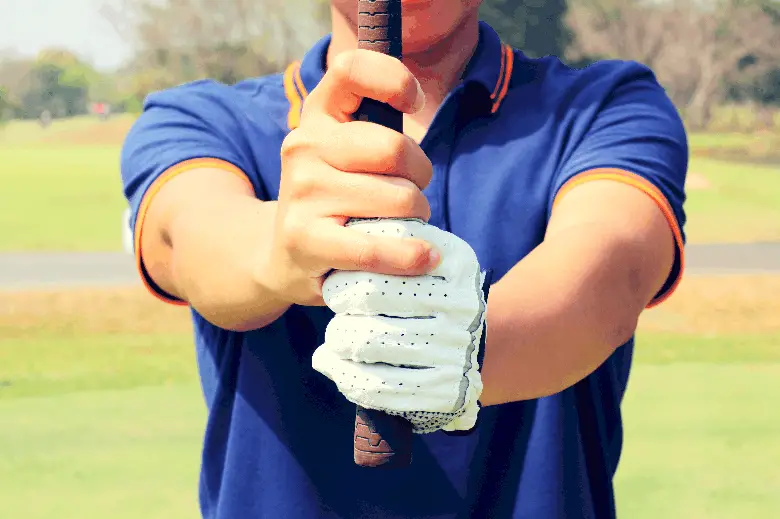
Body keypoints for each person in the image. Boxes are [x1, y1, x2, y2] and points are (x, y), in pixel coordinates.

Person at [120, 1, 687, 518]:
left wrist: (466, 352)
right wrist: (280, 250)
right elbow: (193, 239)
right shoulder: (199, 119)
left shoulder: (606, 104)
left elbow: (610, 271)